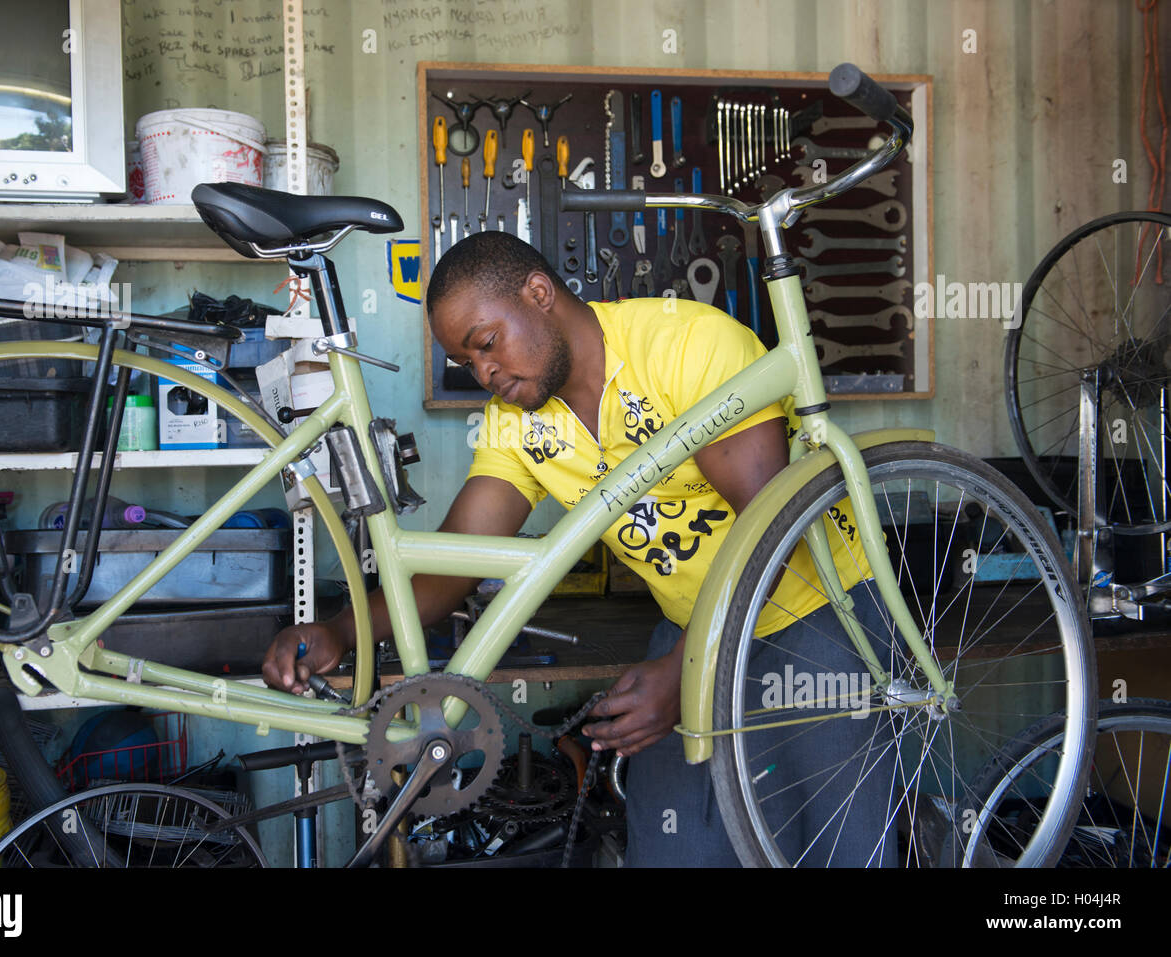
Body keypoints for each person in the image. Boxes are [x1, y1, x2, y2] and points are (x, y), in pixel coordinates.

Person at [261, 230, 894, 866]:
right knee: (677, 848)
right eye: (468, 362)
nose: (485, 372)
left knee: (836, 845)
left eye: (487, 343)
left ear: (539, 294)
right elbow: (453, 567)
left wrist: (682, 672)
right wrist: (343, 631)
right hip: (691, 627)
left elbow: (769, 529)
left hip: (818, 615)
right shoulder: (519, 420)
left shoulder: (688, 346)